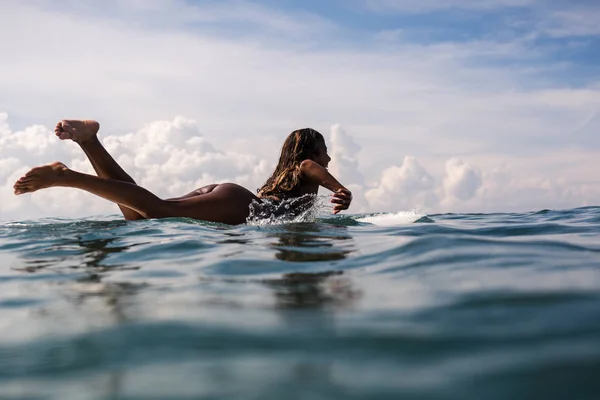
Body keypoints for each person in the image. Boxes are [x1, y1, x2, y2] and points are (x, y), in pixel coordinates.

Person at [13, 120, 352, 225]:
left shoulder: (287, 178)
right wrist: (340, 189)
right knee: (158, 210)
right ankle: (66, 176)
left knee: (143, 215)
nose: (328, 158)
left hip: (228, 197)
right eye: (325, 152)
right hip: (240, 205)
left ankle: (90, 142)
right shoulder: (306, 168)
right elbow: (309, 167)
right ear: (312, 153)